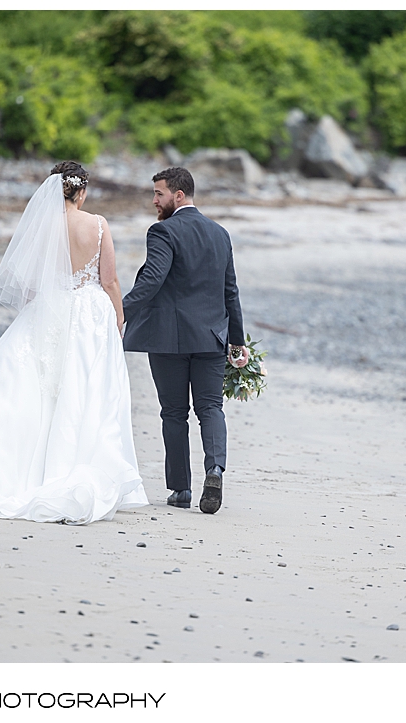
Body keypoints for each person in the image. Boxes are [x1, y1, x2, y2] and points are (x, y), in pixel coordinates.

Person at [0, 162, 148, 524]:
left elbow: (32, 283)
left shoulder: (44, 227)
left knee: (32, 389)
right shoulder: (98, 225)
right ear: (81, 192)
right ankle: (76, 464)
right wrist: (119, 317)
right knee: (84, 391)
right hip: (89, 314)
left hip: (50, 310)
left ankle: (3, 469)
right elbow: (111, 279)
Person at [122, 167, 246, 514]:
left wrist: (117, 311)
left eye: (158, 194)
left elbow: (152, 280)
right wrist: (236, 341)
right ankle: (215, 469)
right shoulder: (220, 233)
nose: (154, 201)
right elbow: (230, 291)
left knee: (174, 413)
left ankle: (180, 490)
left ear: (179, 195)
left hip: (169, 338)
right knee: (211, 408)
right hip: (211, 337)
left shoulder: (163, 232)